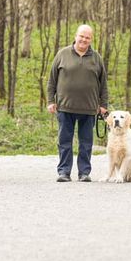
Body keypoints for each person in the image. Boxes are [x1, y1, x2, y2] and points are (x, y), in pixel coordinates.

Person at [46, 24, 108, 182]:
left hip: (89, 108)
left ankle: (84, 173)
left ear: (91, 39)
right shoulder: (62, 54)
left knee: (86, 143)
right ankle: (64, 172)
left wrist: (103, 104)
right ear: (76, 36)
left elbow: (103, 84)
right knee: (64, 141)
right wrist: (50, 101)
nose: (84, 40)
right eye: (81, 36)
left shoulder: (96, 58)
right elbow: (52, 80)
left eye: (87, 37)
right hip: (65, 107)